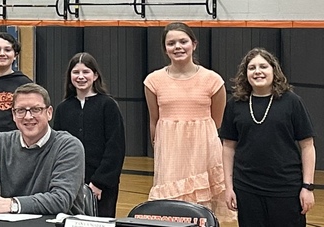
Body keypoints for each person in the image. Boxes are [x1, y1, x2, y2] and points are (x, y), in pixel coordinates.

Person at [143, 21, 234, 220]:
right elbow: (154, 120)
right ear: (165, 49)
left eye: (183, 41)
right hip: (171, 154)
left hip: (203, 152)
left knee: (202, 211)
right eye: (171, 43)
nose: (177, 47)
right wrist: (160, 150)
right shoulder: (153, 81)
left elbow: (217, 121)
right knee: (170, 211)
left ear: (194, 44)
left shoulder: (213, 80)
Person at [220, 48, 315, 226]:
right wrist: (229, 187)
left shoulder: (292, 102)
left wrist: (307, 187)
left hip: (286, 187)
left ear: (274, 70)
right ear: (245, 73)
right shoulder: (235, 104)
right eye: (252, 67)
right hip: (247, 188)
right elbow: (228, 147)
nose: (257, 71)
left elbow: (307, 146)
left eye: (263, 66)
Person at [0, 83, 84, 215]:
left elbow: (60, 199)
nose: (28, 117)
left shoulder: (68, 146)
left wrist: (11, 204)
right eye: (21, 110)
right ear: (13, 115)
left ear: (49, 113)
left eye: (35, 109)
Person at [51, 52, 125, 217]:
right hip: (69, 183)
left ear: (95, 75)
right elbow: (57, 146)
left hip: (102, 185)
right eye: (76, 72)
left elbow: (115, 148)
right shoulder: (64, 108)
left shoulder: (108, 105)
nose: (81, 77)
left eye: (86, 72)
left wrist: (99, 183)